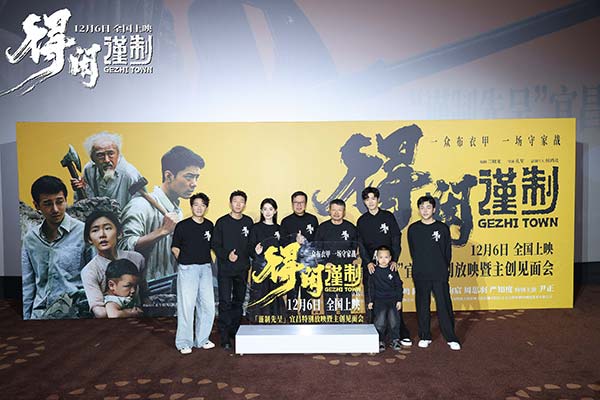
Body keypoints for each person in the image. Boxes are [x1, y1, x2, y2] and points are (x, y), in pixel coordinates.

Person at [120, 145, 204, 281]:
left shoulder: (177, 212)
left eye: (196, 178)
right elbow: (123, 248)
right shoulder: (140, 206)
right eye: (189, 177)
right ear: (168, 176)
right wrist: (163, 231)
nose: (194, 184)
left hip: (168, 285)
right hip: (144, 289)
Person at [22, 176, 91, 319]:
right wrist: (26, 319)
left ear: (66, 200)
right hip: (40, 314)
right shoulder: (31, 239)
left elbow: (95, 277)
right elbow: (27, 285)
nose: (55, 209)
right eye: (47, 204)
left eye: (59, 202)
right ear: (37, 205)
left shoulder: (84, 233)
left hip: (75, 314)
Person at [357, 186, 412, 346]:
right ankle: (372, 332)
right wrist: (368, 262)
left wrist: (394, 259)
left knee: (394, 299)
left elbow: (396, 239)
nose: (370, 202)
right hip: (371, 266)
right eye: (367, 199)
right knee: (371, 298)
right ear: (364, 202)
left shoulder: (388, 216)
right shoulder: (362, 220)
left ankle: (400, 332)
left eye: (373, 198)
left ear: (378, 199)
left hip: (388, 264)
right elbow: (360, 244)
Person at [408, 195, 461, 351]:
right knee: (422, 305)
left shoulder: (442, 228)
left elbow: (447, 252)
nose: (425, 211)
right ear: (419, 210)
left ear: (434, 209)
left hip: (439, 272)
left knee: (444, 305)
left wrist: (443, 268)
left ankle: (451, 337)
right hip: (421, 273)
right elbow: (413, 251)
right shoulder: (413, 229)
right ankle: (425, 336)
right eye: (422, 208)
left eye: (428, 207)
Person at [171, 192, 215, 354]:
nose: (199, 208)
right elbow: (175, 248)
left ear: (206, 208)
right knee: (187, 306)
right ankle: (184, 342)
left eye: (202, 205)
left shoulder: (209, 225)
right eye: (196, 204)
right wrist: (184, 262)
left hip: (205, 268)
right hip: (188, 269)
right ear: (191, 206)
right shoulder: (182, 226)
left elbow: (213, 246)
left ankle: (202, 339)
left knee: (208, 306)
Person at [81, 210, 146, 318]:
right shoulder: (90, 271)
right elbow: (100, 313)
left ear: (119, 233)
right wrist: (128, 313)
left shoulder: (136, 259)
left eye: (107, 228)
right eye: (95, 230)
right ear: (89, 239)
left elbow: (144, 294)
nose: (102, 235)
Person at [212, 190, 253, 350]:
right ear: (230, 203)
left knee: (239, 301)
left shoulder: (248, 222)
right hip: (225, 270)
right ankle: (224, 336)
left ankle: (234, 331)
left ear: (244, 204)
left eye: (241, 201)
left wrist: (255, 251)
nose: (238, 204)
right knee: (225, 302)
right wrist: (227, 255)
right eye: (235, 201)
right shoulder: (222, 222)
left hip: (242, 269)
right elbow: (215, 244)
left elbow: (250, 244)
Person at [71, 132, 143, 209]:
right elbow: (84, 204)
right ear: (92, 158)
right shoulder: (89, 170)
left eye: (111, 153)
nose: (107, 160)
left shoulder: (129, 174)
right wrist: (81, 191)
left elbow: (139, 207)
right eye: (100, 155)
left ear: (118, 154)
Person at [314, 199, 359, 315]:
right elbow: (317, 249)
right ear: (329, 211)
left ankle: (346, 321)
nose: (336, 213)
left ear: (344, 212)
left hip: (346, 269)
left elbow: (355, 248)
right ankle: (330, 323)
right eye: (333, 210)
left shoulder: (351, 228)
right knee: (329, 298)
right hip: (328, 269)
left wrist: (352, 261)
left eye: (339, 210)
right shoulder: (322, 228)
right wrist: (325, 263)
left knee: (346, 298)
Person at [280, 191, 319, 308]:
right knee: (291, 296)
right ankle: (291, 316)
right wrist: (295, 242)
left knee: (307, 296)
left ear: (306, 204)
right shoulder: (286, 221)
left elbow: (317, 242)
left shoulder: (313, 219)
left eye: (301, 202)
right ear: (292, 204)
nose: (299, 205)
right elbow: (282, 244)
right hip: (292, 264)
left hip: (308, 264)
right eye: (296, 202)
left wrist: (305, 243)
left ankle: (306, 316)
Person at [248, 198, 282, 321]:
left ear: (275, 211)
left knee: (274, 295)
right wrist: (255, 252)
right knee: (259, 295)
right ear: (261, 211)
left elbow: (283, 250)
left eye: (270, 209)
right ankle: (257, 322)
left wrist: (281, 269)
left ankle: (274, 322)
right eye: (265, 209)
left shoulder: (280, 228)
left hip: (275, 269)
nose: (268, 212)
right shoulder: (255, 228)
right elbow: (249, 248)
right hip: (260, 268)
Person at [368, 245, 404, 352]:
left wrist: (399, 300)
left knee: (394, 321)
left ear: (390, 258)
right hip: (379, 300)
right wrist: (371, 301)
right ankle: (380, 341)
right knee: (380, 321)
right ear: (377, 258)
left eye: (386, 257)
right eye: (381, 257)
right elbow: (371, 287)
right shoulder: (374, 271)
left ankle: (395, 339)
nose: (383, 260)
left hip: (392, 300)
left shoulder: (393, 270)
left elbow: (399, 286)